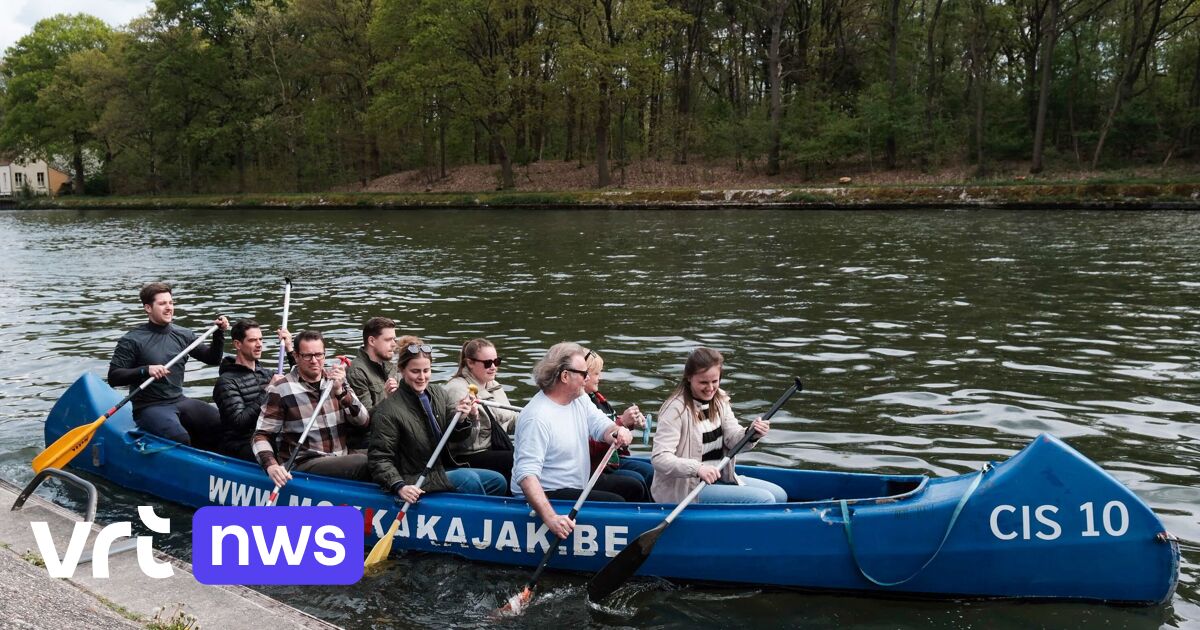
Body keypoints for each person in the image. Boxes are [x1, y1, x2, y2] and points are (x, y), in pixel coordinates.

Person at [512, 342, 644, 541]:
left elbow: (600, 425)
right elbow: (526, 475)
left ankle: (641, 536)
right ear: (565, 376)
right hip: (549, 492)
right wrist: (552, 519)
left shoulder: (579, 398)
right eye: (584, 374)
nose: (588, 378)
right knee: (616, 501)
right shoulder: (537, 417)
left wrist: (616, 432)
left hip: (576, 485)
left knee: (634, 488)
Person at [368, 337, 508, 503]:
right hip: (413, 477)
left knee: (498, 481)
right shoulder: (388, 410)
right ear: (402, 370)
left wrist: (465, 418)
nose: (422, 377)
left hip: (441, 468)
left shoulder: (439, 393)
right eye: (415, 371)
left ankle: (466, 510)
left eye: (426, 370)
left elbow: (456, 438)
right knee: (468, 479)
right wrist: (399, 485)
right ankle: (481, 518)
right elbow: (379, 458)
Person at [651, 347, 788, 504]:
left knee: (780, 495)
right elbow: (660, 458)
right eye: (703, 382)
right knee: (765, 500)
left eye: (714, 381)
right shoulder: (675, 410)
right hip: (688, 490)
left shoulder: (720, 400)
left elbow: (732, 439)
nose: (710, 388)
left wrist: (751, 434)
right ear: (689, 378)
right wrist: (697, 469)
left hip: (718, 478)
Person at [108, 282, 229, 449]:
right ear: (148, 308)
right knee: (180, 437)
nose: (169, 307)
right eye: (162, 303)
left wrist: (219, 335)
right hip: (149, 407)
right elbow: (114, 377)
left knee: (224, 426)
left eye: (171, 303)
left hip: (179, 399)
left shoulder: (183, 335)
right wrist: (145, 370)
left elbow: (212, 359)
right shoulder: (132, 339)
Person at [253, 330, 370, 486]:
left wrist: (341, 393)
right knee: (363, 461)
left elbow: (363, 422)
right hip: (304, 463)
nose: (314, 361)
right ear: (296, 356)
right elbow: (261, 436)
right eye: (307, 356)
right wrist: (271, 466)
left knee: (386, 456)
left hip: (340, 456)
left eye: (319, 355)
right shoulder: (281, 389)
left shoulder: (335, 381)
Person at [212, 319, 292, 461]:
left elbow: (298, 386)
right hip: (241, 443)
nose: (259, 345)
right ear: (238, 344)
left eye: (260, 339)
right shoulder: (226, 382)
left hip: (270, 434)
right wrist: (268, 391)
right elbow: (239, 423)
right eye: (252, 340)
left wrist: (290, 349)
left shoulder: (267, 374)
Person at [582, 348, 655, 495]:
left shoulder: (596, 399)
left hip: (611, 459)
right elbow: (593, 441)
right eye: (596, 373)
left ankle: (657, 508)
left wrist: (628, 422)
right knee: (637, 480)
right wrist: (622, 422)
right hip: (596, 466)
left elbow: (607, 424)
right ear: (584, 376)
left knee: (650, 471)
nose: (600, 377)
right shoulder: (579, 403)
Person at [445, 338, 517, 484]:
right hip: (468, 454)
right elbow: (459, 441)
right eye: (487, 363)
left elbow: (511, 420)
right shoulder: (457, 389)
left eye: (496, 362)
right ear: (470, 363)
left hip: (495, 447)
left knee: (533, 455)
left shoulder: (494, 384)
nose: (493, 367)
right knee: (515, 459)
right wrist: (471, 417)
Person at [345, 316, 398, 450]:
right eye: (388, 340)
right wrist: (386, 398)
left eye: (394, 339)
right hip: (368, 441)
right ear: (372, 341)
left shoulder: (391, 368)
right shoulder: (356, 372)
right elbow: (364, 421)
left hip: (391, 432)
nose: (394, 344)